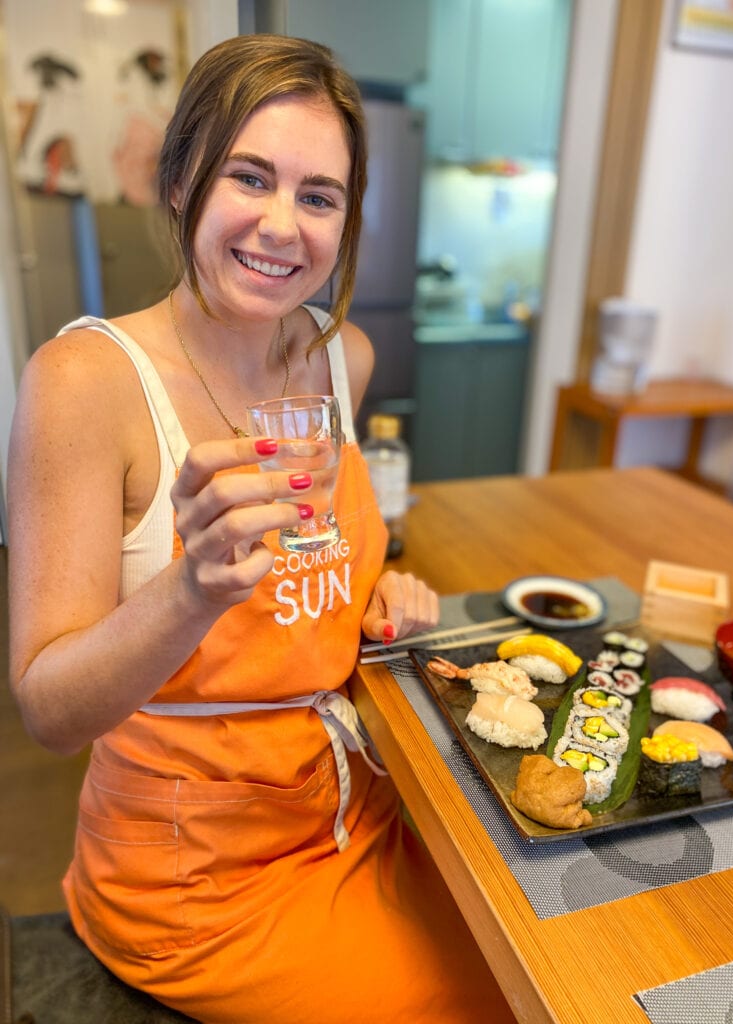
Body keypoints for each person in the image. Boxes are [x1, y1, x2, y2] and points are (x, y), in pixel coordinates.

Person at [8, 34, 515, 1024]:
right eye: (251, 176)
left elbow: (311, 588)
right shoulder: (86, 384)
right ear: (182, 175)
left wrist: (375, 599)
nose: (283, 225)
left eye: (320, 196)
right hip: (193, 881)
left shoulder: (342, 360)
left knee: (546, 942)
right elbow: (49, 710)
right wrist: (188, 588)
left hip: (355, 810)